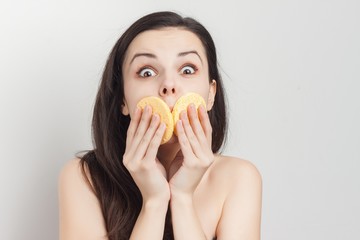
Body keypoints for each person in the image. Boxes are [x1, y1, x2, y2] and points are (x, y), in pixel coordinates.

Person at [58, 11, 262, 240]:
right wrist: (154, 202)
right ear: (123, 100)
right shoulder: (84, 178)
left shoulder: (238, 179)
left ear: (211, 95)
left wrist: (182, 197)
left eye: (187, 69)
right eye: (147, 72)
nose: (168, 85)